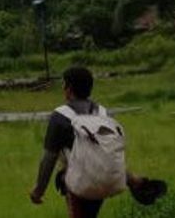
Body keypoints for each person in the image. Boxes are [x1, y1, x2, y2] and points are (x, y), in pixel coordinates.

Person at [30, 66, 150, 217]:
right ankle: (132, 179)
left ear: (68, 88)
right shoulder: (103, 112)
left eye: (63, 84)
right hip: (106, 177)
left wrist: (38, 191)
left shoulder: (60, 116)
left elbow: (49, 158)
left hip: (80, 182)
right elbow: (106, 153)